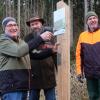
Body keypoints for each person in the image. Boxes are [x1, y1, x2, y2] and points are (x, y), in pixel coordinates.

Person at [0, 17, 56, 100]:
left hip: (22, 85)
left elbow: (34, 55)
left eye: (15, 25)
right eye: (10, 25)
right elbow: (18, 51)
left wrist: (51, 51)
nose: (13, 27)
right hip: (11, 87)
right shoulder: (3, 40)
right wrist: (41, 38)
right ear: (4, 28)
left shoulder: (20, 41)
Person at [25, 16, 57, 100]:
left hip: (49, 74)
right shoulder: (27, 38)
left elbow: (55, 54)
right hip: (33, 76)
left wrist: (59, 69)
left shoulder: (50, 37)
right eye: (32, 24)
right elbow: (26, 54)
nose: (35, 26)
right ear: (30, 26)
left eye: (37, 23)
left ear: (41, 24)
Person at [76, 11, 100, 100]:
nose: (92, 20)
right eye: (90, 19)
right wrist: (79, 72)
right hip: (89, 73)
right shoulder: (82, 36)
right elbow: (78, 55)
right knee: (93, 97)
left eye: (94, 18)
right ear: (87, 22)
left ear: (97, 20)